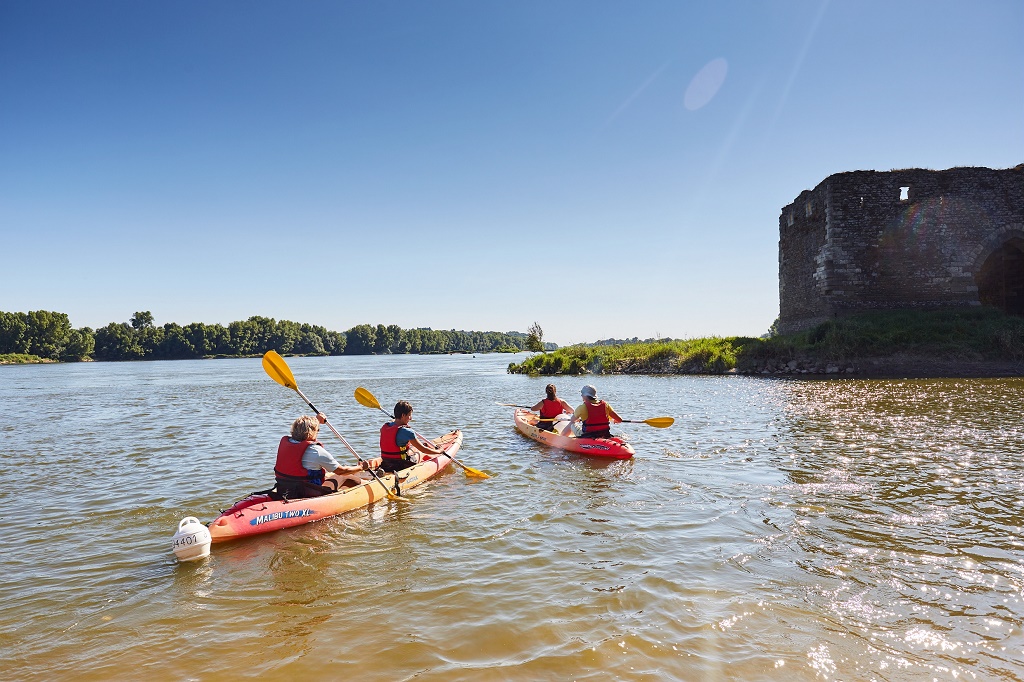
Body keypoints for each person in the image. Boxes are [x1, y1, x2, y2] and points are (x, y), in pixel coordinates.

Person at [274, 414, 382, 499]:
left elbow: (306, 429)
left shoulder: (288, 442)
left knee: (329, 473)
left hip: (285, 489)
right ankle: (371, 484)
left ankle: (366, 480)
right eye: (317, 430)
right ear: (311, 433)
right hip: (310, 492)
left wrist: (317, 420)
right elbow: (341, 471)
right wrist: (362, 467)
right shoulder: (316, 451)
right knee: (343, 476)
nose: (318, 432)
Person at [379, 401, 448, 474]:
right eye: (409, 415)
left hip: (386, 462)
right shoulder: (407, 432)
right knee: (417, 455)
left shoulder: (384, 427)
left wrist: (395, 421)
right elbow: (423, 450)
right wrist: (439, 451)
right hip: (400, 465)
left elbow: (393, 425)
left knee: (410, 450)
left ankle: (382, 472)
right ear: (403, 415)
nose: (410, 418)